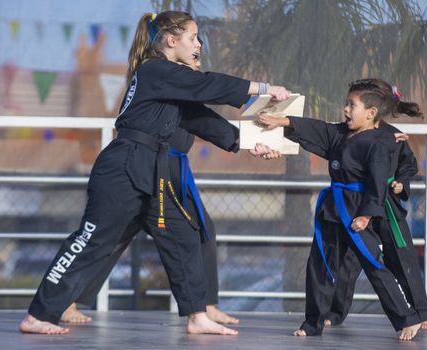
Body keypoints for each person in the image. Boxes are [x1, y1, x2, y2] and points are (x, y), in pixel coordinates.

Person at [19, 10, 290, 335]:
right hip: (123, 167)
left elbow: (203, 120)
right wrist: (263, 88)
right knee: (90, 239)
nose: (198, 44)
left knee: (185, 235)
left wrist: (253, 144)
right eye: (192, 37)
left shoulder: (171, 85)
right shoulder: (155, 70)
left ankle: (196, 315)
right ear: (170, 40)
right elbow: (205, 85)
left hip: (151, 171)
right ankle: (39, 314)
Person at [254, 78, 423, 341]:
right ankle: (312, 324)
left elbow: (378, 182)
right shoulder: (340, 134)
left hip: (358, 211)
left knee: (373, 266)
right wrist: (284, 121)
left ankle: (407, 318)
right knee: (318, 265)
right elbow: (318, 129)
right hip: (333, 208)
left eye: (351, 105)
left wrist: (367, 215)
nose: (345, 110)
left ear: (370, 113)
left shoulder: (380, 140)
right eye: (346, 104)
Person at [323, 105, 427, 329]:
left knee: (403, 258)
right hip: (357, 205)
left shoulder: (393, 134)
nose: (348, 109)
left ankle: (420, 312)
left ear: (373, 111)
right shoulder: (346, 134)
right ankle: (335, 312)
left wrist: (401, 182)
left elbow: (408, 164)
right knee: (348, 261)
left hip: (387, 203)